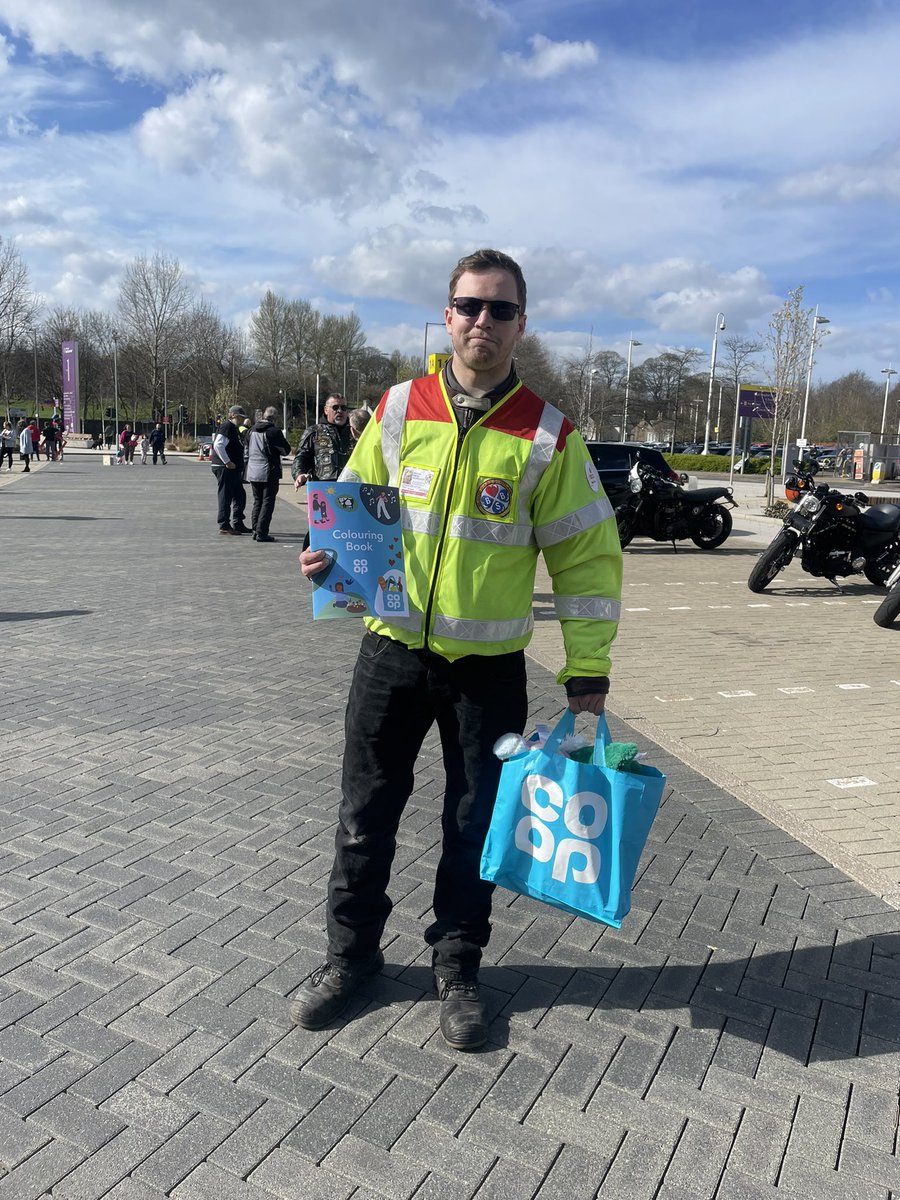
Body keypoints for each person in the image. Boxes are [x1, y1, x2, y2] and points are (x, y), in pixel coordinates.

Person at [290, 249, 623, 1051]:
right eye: (470, 306)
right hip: (390, 653)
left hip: (490, 672)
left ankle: (459, 965)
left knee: (475, 824)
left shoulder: (548, 434)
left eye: (500, 309)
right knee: (364, 815)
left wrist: (587, 671)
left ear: (520, 323)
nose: (483, 321)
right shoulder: (401, 407)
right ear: (447, 316)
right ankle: (351, 958)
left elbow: (586, 558)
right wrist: (323, 553)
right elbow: (354, 512)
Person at [246, 405, 292, 542]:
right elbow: (286, 450)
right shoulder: (274, 432)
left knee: (257, 501)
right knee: (268, 502)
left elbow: (246, 448)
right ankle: (262, 532)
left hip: (253, 471)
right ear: (274, 418)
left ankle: (255, 529)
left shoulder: (251, 430)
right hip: (268, 471)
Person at [292, 393, 352, 488]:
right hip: (323, 488)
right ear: (326, 410)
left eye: (343, 408)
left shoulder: (355, 432)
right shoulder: (314, 432)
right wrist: (299, 474)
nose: (340, 411)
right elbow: (301, 457)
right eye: (335, 407)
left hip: (351, 487)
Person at [211, 404, 251, 535]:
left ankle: (237, 523)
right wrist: (227, 462)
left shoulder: (233, 428)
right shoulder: (227, 426)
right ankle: (224, 524)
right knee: (225, 495)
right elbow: (218, 444)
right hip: (225, 468)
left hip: (231, 468)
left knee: (239, 495)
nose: (241, 419)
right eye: (240, 417)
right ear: (233, 415)